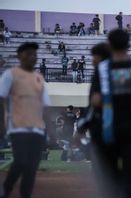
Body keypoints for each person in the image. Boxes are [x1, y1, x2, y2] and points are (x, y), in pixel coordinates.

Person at [89, 29, 131, 198]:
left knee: (110, 176)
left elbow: (95, 101)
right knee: (130, 176)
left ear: (109, 45)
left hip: (109, 129)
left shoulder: (102, 69)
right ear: (128, 45)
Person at [0, 42, 50, 198]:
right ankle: (6, 189)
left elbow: (45, 106)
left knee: (31, 168)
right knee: (21, 161)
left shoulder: (39, 78)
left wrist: (46, 130)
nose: (32, 57)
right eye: (28, 53)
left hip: (37, 129)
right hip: (17, 127)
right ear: (19, 56)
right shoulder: (10, 74)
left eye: (34, 54)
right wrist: (2, 124)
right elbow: (2, 99)